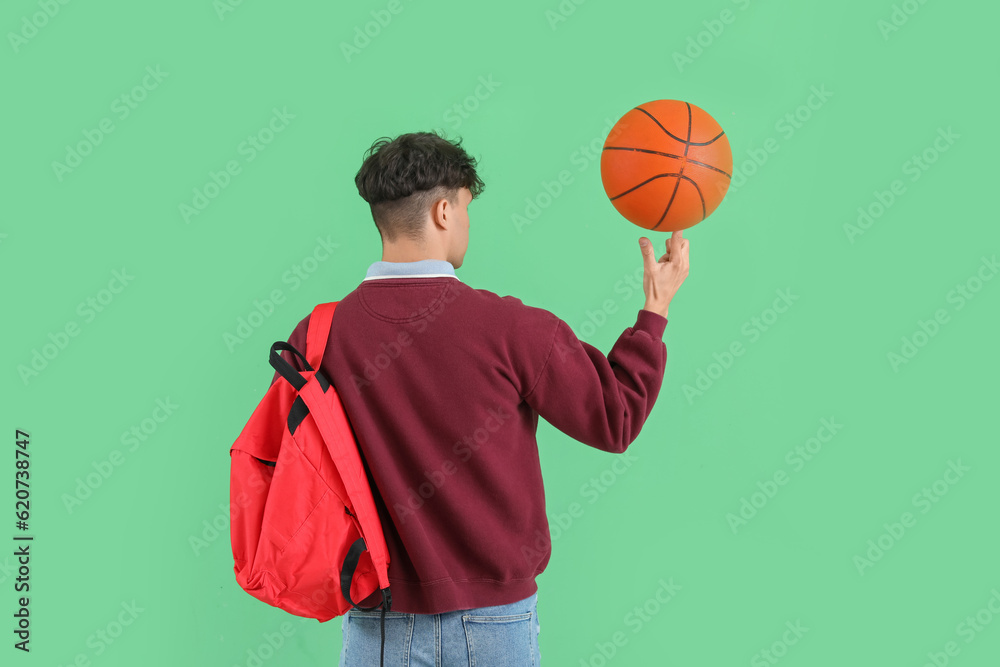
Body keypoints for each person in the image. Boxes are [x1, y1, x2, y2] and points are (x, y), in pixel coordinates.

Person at [271, 131, 690, 666]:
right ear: (444, 211)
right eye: (467, 207)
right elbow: (615, 419)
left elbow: (298, 470)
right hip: (494, 623)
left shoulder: (318, 335)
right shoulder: (511, 328)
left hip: (376, 619)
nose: (467, 222)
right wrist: (655, 311)